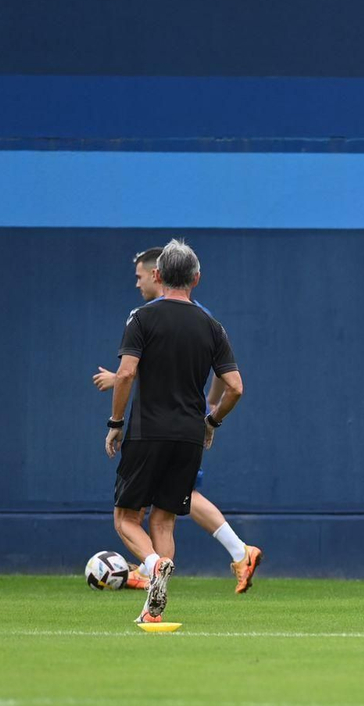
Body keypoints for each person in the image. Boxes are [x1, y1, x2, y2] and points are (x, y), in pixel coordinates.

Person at [94, 248, 262, 593]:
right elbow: (236, 387)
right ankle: (158, 598)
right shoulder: (211, 325)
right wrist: (212, 421)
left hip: (148, 431)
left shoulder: (141, 317)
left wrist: (115, 423)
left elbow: (127, 373)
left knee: (126, 519)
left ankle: (153, 566)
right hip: (189, 435)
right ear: (196, 279)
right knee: (163, 520)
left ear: (158, 275)